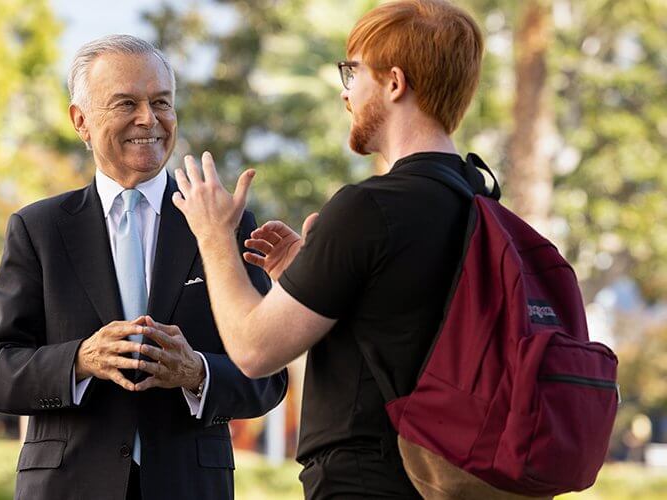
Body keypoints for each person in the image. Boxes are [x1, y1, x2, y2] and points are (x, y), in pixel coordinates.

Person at [171, 1, 485, 497]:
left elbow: (254, 351)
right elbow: (402, 333)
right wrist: (306, 279)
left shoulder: (369, 208)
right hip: (451, 481)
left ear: (394, 83)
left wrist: (212, 236)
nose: (345, 92)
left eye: (353, 71)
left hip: (366, 483)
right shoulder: (480, 202)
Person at [0, 35, 287, 500]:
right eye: (126, 103)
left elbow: (268, 378)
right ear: (80, 120)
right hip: (66, 486)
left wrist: (197, 373)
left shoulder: (225, 222)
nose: (149, 118)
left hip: (189, 485)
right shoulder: (37, 228)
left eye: (161, 102)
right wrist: (79, 360)